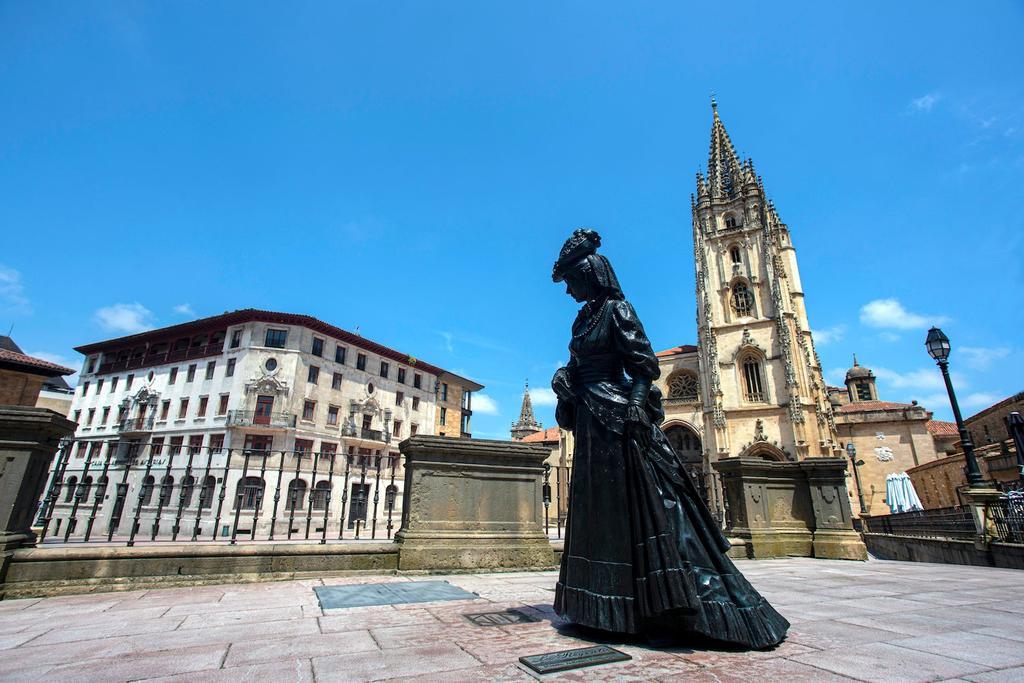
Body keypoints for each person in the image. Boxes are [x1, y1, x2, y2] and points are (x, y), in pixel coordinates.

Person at [550, 228, 788, 650]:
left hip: (616, 418)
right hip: (591, 421)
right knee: (600, 515)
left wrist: (637, 406)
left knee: (646, 510)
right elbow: (576, 363)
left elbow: (643, 366)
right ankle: (600, 610)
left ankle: (667, 606)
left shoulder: (617, 310)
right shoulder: (584, 317)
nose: (568, 290)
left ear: (588, 274)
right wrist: (564, 379)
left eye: (570, 280)